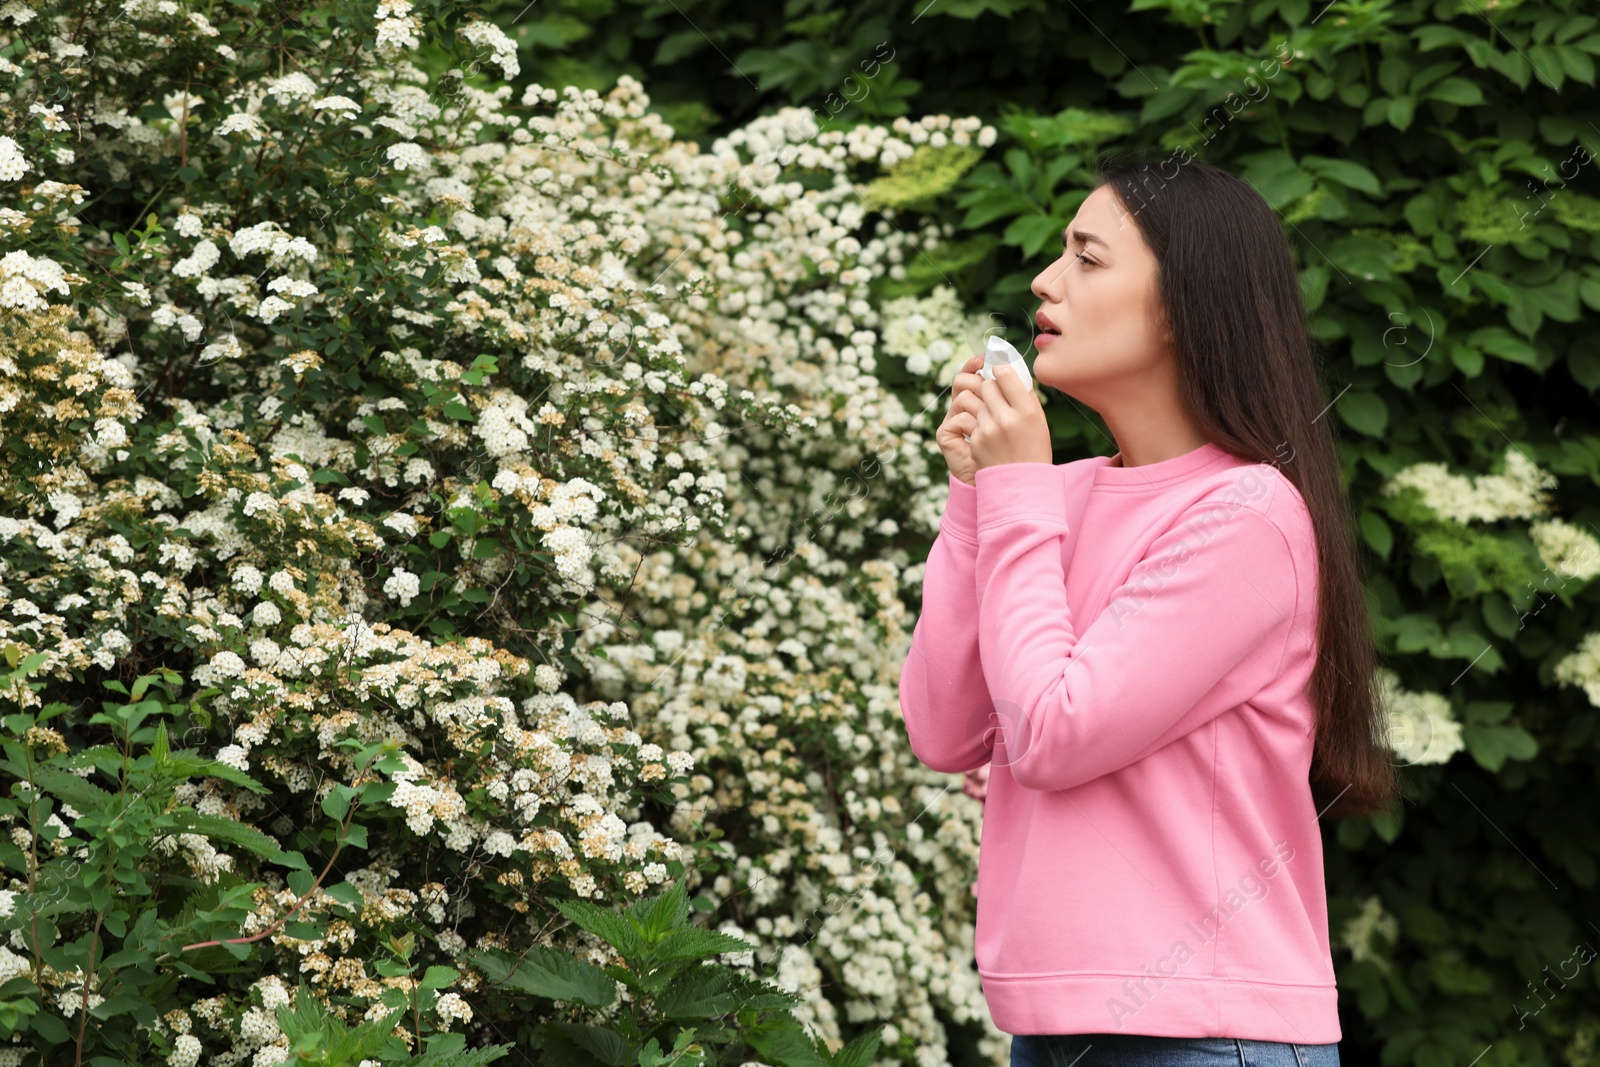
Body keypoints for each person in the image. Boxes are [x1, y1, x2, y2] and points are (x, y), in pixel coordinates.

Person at [896, 154, 1401, 1067]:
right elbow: (943, 728)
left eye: (1088, 259)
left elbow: (1053, 732)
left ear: (1184, 307)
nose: (1046, 281)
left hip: (1208, 1032)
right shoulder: (1057, 497)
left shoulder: (1249, 515)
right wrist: (976, 504)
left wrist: (1014, 494)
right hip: (1051, 1032)